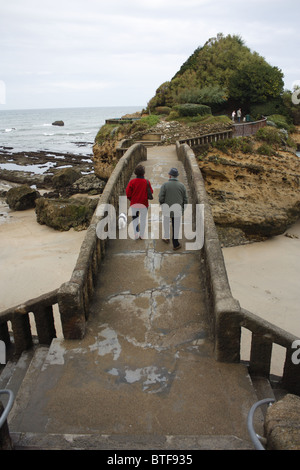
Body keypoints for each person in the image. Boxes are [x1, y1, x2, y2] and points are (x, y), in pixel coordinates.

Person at [158, 167, 188, 251]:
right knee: (176, 227)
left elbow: (161, 197)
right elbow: (186, 199)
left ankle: (166, 238)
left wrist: (162, 205)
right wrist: (183, 209)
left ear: (170, 176)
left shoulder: (165, 185)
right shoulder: (182, 186)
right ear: (177, 176)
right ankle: (175, 244)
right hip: (177, 210)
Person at [126, 164, 153, 239]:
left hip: (134, 203)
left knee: (135, 218)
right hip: (144, 204)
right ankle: (141, 234)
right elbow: (151, 191)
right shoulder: (146, 182)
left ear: (135, 173)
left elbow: (128, 193)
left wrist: (131, 199)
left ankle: (136, 233)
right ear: (143, 173)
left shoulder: (132, 182)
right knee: (143, 219)